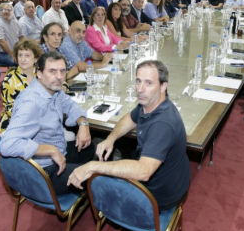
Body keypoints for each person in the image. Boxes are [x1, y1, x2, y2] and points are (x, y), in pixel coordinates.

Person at [67, 60, 190, 210]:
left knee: (95, 182)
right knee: (109, 161)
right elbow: (130, 119)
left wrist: (93, 167)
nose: (140, 89)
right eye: (138, 81)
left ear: (163, 86)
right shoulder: (151, 103)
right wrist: (110, 139)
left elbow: (143, 171)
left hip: (157, 195)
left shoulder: (163, 125)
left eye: (148, 83)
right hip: (165, 178)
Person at [0, 51, 94, 195]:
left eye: (62, 71)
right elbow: (7, 145)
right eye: (52, 71)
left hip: (59, 149)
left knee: (90, 147)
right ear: (39, 73)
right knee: (97, 179)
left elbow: (70, 105)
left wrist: (83, 124)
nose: (59, 77)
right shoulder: (31, 103)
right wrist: (51, 150)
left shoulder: (52, 89)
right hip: (44, 172)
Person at [0, 39, 44, 132]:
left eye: (27, 55)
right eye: (20, 55)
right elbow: (10, 110)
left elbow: (60, 84)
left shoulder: (41, 73)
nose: (23, 59)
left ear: (36, 58)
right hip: (16, 124)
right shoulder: (9, 80)